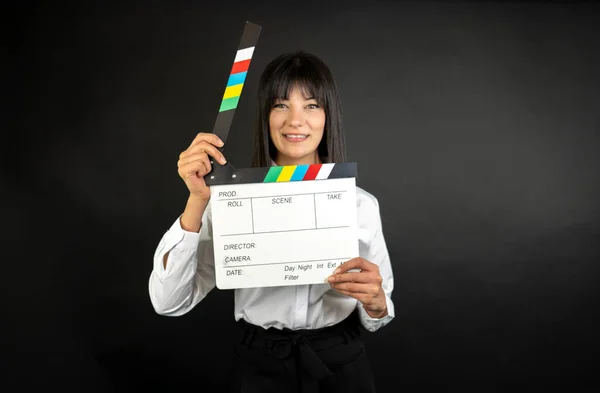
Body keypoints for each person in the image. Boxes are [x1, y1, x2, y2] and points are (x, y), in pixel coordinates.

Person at [148, 51, 395, 392]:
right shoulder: (227, 204)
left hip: (339, 367)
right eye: (281, 105)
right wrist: (197, 201)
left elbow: (379, 313)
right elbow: (168, 302)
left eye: (311, 105)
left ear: (328, 116)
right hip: (259, 369)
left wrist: (377, 302)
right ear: (265, 115)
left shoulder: (361, 205)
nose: (296, 120)